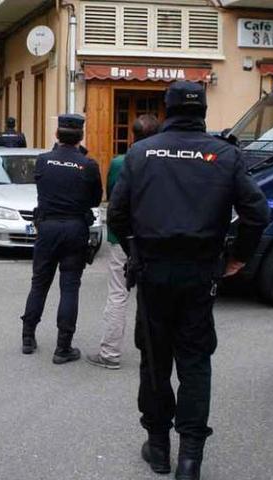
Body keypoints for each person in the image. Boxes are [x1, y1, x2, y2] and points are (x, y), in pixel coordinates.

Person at [108, 81, 269, 480]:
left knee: (155, 361)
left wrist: (135, 251)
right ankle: (190, 458)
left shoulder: (142, 153)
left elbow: (117, 215)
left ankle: (159, 447)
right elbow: (256, 213)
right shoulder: (225, 155)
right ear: (202, 111)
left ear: (167, 109)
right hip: (201, 274)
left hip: (154, 272)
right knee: (196, 362)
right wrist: (237, 257)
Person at [20, 114, 102, 364]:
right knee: (69, 287)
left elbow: (41, 187)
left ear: (57, 135)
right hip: (75, 228)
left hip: (48, 227)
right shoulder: (88, 165)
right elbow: (96, 199)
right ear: (81, 136)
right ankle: (63, 346)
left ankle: (27, 337)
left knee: (39, 283)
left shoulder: (43, 161)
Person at [86, 114, 159, 369]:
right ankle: (153, 353)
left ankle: (110, 352)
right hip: (152, 236)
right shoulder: (162, 163)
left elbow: (110, 196)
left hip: (121, 238)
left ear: (133, 136)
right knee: (151, 296)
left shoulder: (120, 162)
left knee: (118, 294)